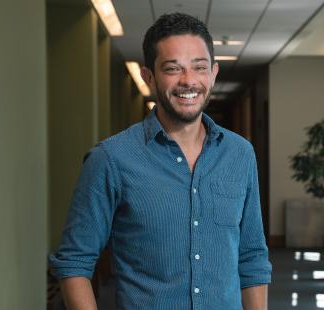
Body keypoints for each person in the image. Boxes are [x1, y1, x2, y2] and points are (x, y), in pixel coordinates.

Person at [49, 12, 272, 310]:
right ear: (149, 77)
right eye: (173, 68)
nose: (189, 81)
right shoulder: (111, 159)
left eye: (199, 67)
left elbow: (252, 257)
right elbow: (74, 262)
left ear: (214, 73)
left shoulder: (240, 154)